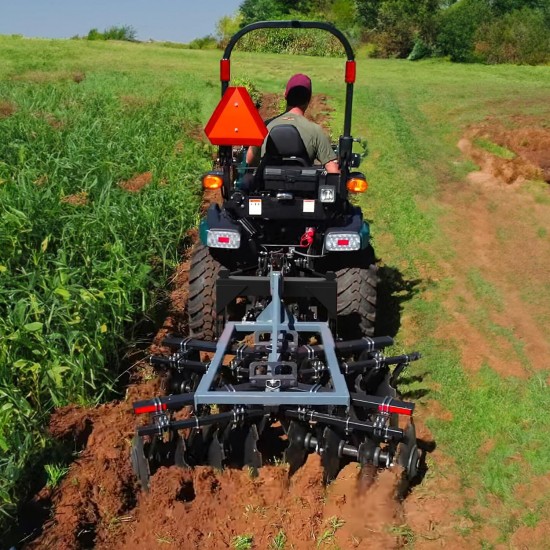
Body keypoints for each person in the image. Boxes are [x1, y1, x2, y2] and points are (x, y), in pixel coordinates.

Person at [246, 74, 339, 174]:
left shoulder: (265, 127)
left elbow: (250, 161)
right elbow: (333, 170)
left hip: (267, 186)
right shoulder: (315, 130)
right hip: (303, 187)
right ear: (308, 100)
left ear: (285, 95)